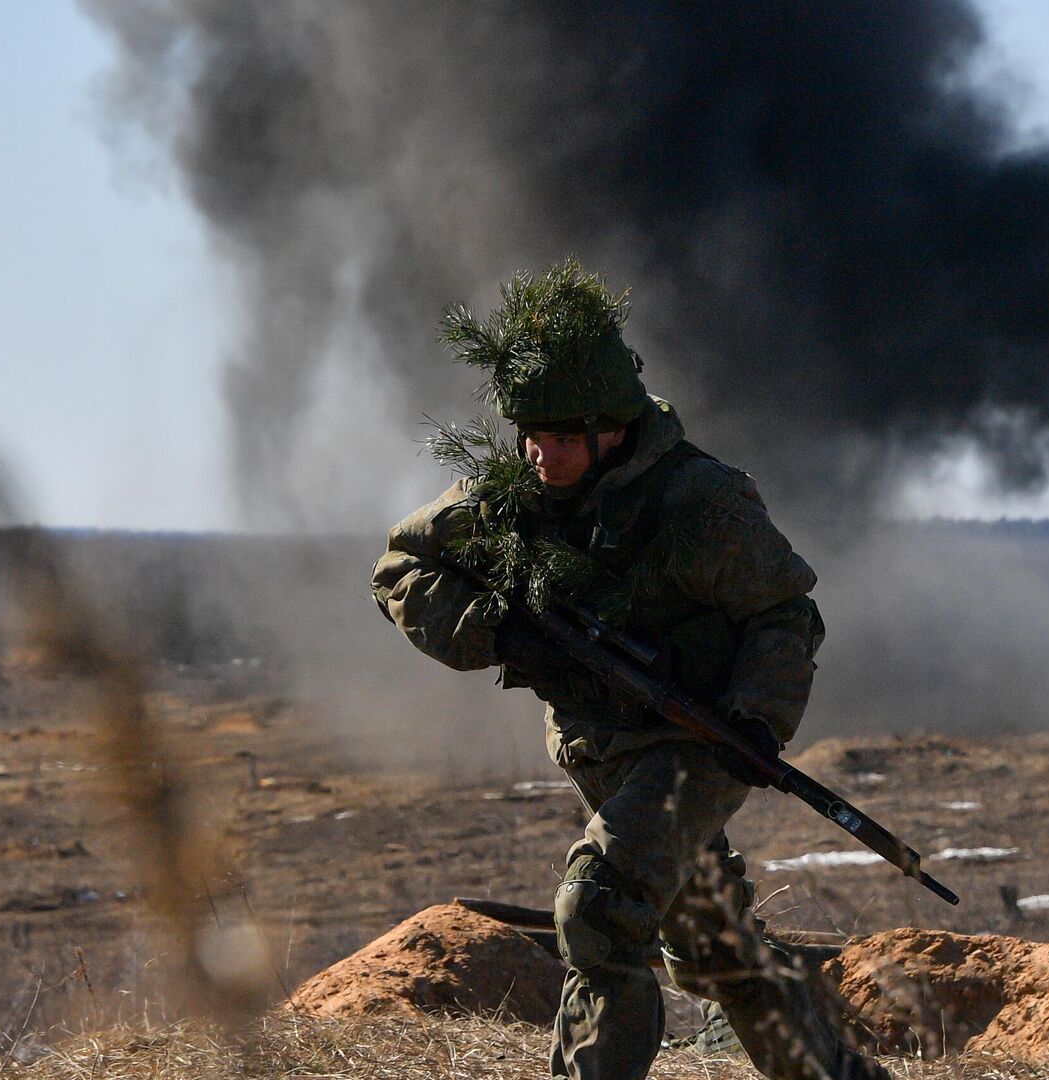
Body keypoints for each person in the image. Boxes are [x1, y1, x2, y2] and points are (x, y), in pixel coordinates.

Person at [371, 259, 886, 1080]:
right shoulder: (515, 496)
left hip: (695, 740)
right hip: (597, 747)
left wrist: (755, 720)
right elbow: (402, 566)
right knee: (720, 956)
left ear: (614, 425)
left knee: (599, 912)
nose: (542, 455)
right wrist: (502, 633)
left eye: (563, 438)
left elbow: (785, 615)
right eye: (530, 435)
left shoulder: (698, 504)